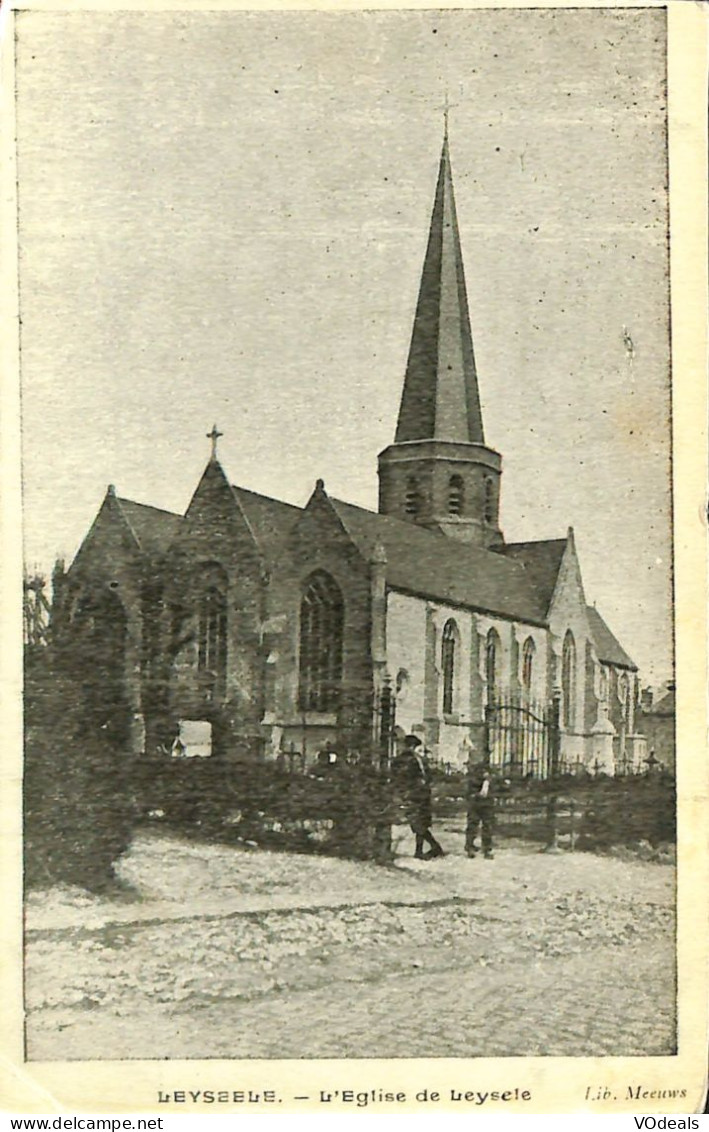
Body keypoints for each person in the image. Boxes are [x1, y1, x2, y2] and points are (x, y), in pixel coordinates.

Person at [392, 734, 444, 860]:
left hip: (420, 795)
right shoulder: (408, 759)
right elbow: (402, 777)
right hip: (414, 794)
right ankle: (433, 846)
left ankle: (421, 850)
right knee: (418, 823)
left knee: (421, 823)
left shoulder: (415, 759)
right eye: (416, 747)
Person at [465, 758, 499, 859]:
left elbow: (494, 790)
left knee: (487, 826)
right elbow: (469, 792)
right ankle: (470, 847)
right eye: (483, 771)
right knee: (472, 825)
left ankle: (487, 849)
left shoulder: (489, 781)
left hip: (487, 805)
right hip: (475, 804)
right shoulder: (473, 780)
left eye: (486, 771)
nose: (485, 774)